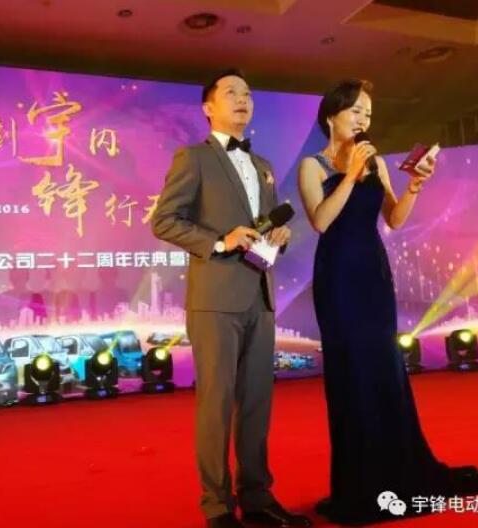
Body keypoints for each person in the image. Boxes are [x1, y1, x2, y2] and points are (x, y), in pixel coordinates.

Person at [297, 78, 478, 525]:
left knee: (385, 369)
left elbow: (392, 217)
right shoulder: (313, 166)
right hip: (338, 277)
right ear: (332, 115)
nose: (363, 119)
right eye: (356, 110)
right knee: (351, 374)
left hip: (373, 274)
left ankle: (398, 473)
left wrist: (414, 186)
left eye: (368, 114)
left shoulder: (376, 163)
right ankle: (359, 484)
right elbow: (321, 221)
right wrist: (349, 175)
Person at [152, 69, 311, 528]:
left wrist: (279, 236)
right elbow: (164, 221)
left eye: (248, 94)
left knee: (257, 402)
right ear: (208, 107)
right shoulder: (194, 158)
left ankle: (257, 497)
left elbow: (267, 226)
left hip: (260, 296)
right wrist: (221, 241)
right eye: (231, 93)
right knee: (217, 404)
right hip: (215, 299)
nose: (243, 100)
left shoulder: (262, 165)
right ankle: (218, 506)